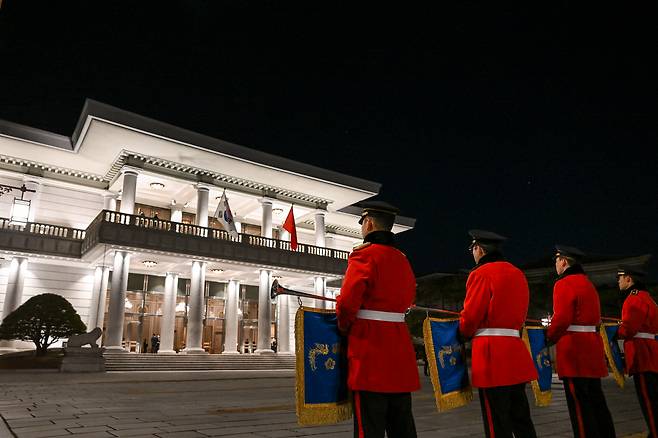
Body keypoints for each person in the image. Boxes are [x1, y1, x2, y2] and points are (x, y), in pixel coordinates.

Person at [336, 200, 419, 438]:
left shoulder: (364, 255)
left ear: (369, 223)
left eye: (363, 223)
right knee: (402, 424)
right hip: (399, 347)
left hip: (369, 346)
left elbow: (348, 302)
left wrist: (344, 326)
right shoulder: (402, 259)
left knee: (369, 425)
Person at [459, 229, 538, 438]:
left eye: (472, 249)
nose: (472, 253)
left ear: (480, 249)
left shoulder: (480, 273)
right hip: (514, 348)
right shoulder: (517, 273)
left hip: (491, 352)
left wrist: (462, 332)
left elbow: (471, 314)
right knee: (521, 416)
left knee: (497, 420)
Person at [547, 245, 616, 438]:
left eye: (557, 260)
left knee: (579, 405)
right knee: (596, 401)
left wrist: (549, 337)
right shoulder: (587, 283)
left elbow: (561, 319)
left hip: (574, 349)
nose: (556, 264)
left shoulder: (564, 283)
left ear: (564, 261)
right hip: (591, 348)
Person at [616, 265, 658, 437]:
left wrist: (613, 333)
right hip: (652, 351)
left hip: (642, 353)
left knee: (648, 400)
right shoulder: (648, 297)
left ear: (628, 278)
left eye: (620, 277)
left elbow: (628, 329)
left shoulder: (633, 299)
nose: (618, 281)